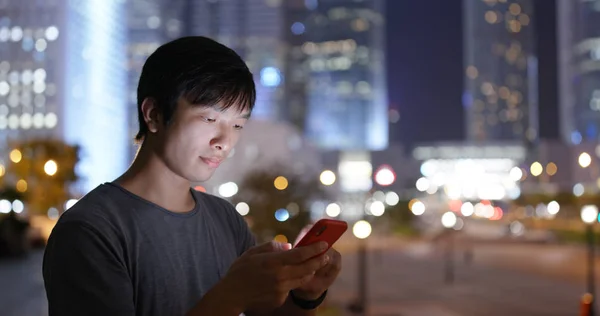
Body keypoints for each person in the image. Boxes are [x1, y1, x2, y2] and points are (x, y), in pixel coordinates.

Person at [42, 36, 342, 316]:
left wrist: (305, 294)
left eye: (237, 125)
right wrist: (231, 295)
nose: (224, 140)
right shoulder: (91, 230)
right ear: (154, 114)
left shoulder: (224, 218)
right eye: (209, 118)